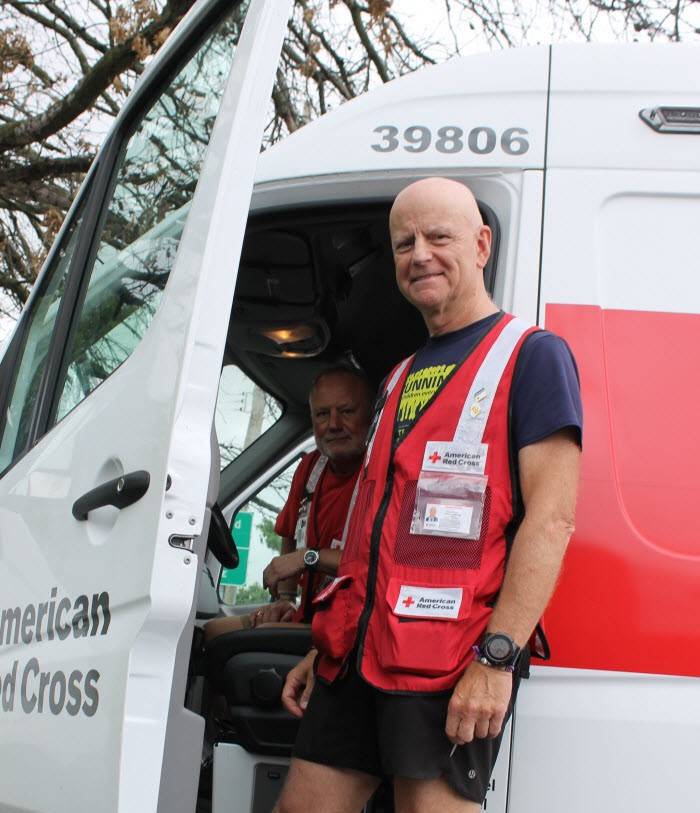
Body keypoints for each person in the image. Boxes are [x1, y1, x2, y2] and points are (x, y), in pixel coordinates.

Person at [277, 177, 582, 813]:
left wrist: (497, 662)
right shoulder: (396, 377)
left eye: (438, 236)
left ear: (481, 244)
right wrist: (326, 640)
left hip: (447, 660)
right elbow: (377, 534)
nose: (419, 254)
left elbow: (551, 521)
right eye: (403, 242)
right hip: (355, 659)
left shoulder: (531, 357)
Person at [203, 366, 374, 643]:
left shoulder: (379, 475)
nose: (333, 424)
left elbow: (375, 564)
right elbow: (289, 538)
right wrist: (285, 598)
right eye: (322, 414)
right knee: (210, 634)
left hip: (350, 631)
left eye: (346, 411)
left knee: (235, 646)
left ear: (371, 414)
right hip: (308, 617)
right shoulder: (310, 469)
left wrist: (307, 558)